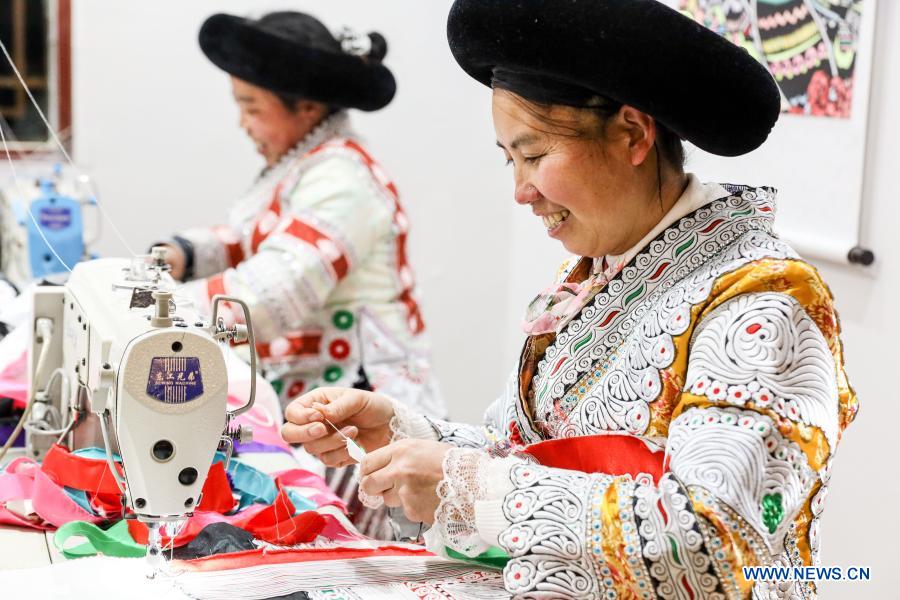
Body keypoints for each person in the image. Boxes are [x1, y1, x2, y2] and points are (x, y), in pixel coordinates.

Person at [282, 0, 857, 597]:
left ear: (633, 134)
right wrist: (403, 436)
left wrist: (469, 485)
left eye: (534, 155)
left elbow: (722, 543)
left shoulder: (763, 299)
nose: (520, 192)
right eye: (510, 159)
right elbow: (530, 454)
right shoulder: (597, 275)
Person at [158, 12, 443, 419]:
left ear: (307, 107)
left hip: (363, 409)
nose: (243, 124)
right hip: (315, 394)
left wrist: (159, 309)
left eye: (251, 108)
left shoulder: (343, 180)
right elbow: (246, 236)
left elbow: (270, 295)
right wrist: (182, 254)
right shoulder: (303, 165)